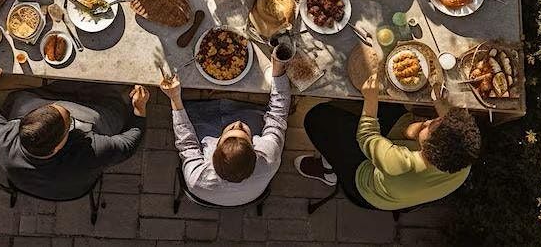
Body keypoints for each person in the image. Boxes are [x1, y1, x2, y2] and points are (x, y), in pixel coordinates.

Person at [295, 73, 480, 211]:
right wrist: (439, 100)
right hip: (408, 191)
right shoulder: (461, 157)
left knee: (317, 118)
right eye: (439, 120)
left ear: (426, 149)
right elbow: (445, 125)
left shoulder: (398, 164)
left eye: (430, 127)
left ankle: (330, 170)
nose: (432, 120)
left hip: (364, 184)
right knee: (391, 101)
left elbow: (367, 135)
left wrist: (370, 98)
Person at [0, 57, 148, 200]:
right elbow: (129, 144)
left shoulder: (3, 141)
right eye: (69, 123)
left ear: (22, 124)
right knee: (106, 115)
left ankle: (56, 91)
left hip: (28, 186)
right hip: (75, 191)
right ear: (57, 146)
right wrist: (139, 110)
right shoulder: (89, 153)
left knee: (19, 100)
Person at [159, 54, 290, 206]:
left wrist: (174, 97)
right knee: (260, 116)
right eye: (244, 132)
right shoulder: (269, 158)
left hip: (207, 194)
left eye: (231, 130)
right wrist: (278, 70)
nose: (238, 122)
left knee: (190, 116)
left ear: (216, 146)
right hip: (251, 196)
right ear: (255, 149)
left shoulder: (196, 177)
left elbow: (186, 143)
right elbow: (278, 114)